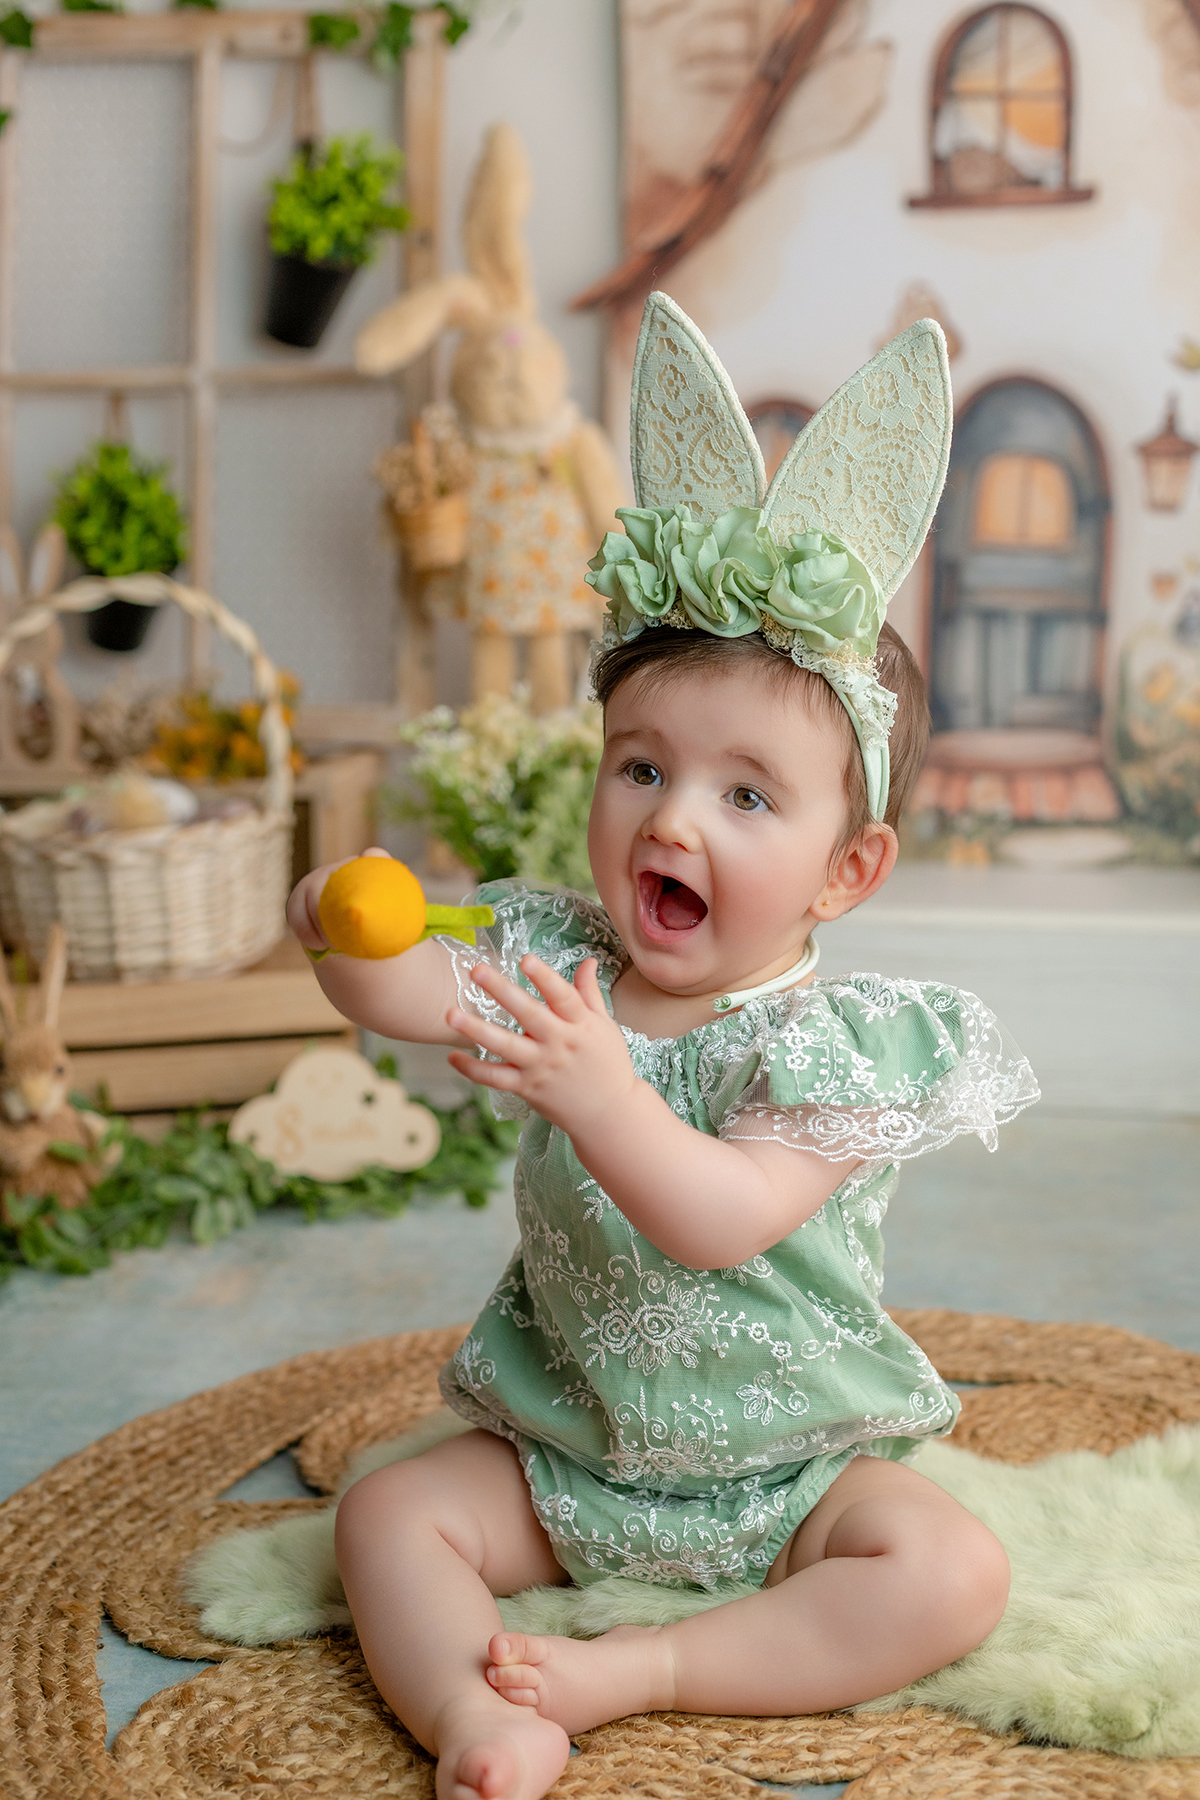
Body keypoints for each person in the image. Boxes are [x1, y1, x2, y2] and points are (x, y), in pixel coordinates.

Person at [286, 298, 1040, 1800]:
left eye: (749, 797)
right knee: (381, 1518)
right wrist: (343, 932)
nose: (674, 817)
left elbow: (717, 1218)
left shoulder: (846, 1041)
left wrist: (599, 1088)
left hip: (793, 1473)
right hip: (568, 1451)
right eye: (643, 765)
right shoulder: (562, 959)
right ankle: (478, 1714)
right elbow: (415, 995)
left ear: (848, 870)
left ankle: (650, 1670)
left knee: (951, 1569)